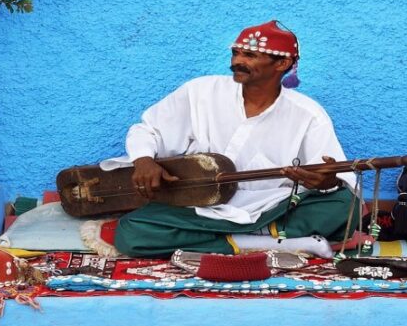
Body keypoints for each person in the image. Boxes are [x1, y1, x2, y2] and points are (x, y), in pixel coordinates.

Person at [101, 20, 359, 258]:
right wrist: (144, 160)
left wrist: (327, 182)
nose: (237, 61)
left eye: (249, 55)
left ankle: (239, 240)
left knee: (346, 207)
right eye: (235, 53)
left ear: (282, 64)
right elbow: (149, 129)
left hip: (272, 206)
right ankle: (273, 243)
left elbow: (337, 178)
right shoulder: (201, 92)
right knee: (132, 232)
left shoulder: (308, 114)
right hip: (200, 207)